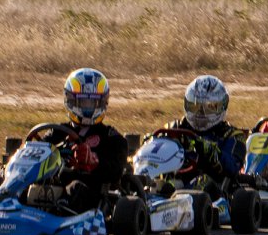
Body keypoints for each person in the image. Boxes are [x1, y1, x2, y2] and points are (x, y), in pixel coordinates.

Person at [25, 68, 131, 213]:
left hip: (91, 193)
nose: (87, 109)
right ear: (70, 100)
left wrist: (93, 162)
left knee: (75, 187)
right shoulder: (57, 132)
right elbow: (36, 153)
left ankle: (60, 210)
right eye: (83, 102)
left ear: (102, 103)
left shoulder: (112, 138)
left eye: (92, 103)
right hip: (52, 186)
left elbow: (116, 171)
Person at [151, 74, 246, 199]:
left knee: (202, 181)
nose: (201, 113)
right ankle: (151, 195)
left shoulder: (232, 135)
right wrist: (150, 143)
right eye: (195, 106)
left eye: (209, 107)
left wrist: (211, 151)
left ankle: (178, 198)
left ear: (222, 106)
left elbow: (232, 166)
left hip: (214, 190)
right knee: (151, 179)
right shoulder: (173, 128)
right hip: (174, 181)